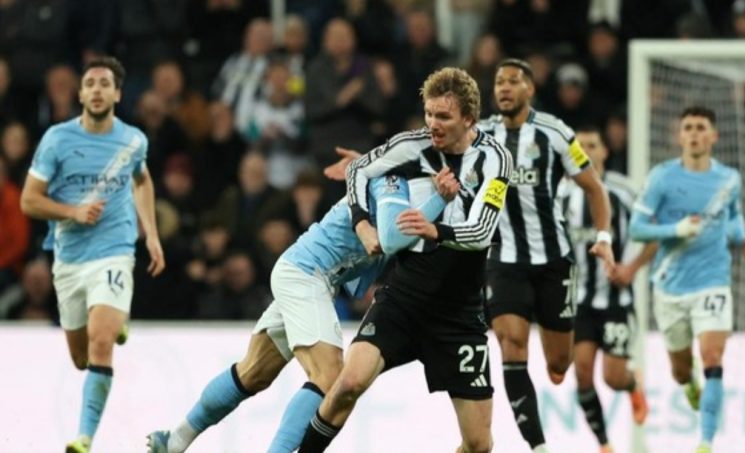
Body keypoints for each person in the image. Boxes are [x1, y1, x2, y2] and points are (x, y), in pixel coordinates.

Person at [147, 170, 459, 453]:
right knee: (330, 376)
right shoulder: (395, 184)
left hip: (305, 273)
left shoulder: (401, 189)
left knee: (253, 372)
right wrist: (439, 201)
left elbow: (375, 264)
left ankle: (175, 440)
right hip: (308, 274)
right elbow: (390, 238)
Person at [298, 67, 512, 453]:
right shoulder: (412, 145)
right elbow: (358, 170)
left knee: (479, 444)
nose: (433, 124)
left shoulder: (495, 159)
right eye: (429, 113)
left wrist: (435, 230)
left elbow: (482, 231)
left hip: (459, 313)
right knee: (348, 384)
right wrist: (362, 223)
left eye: (443, 116)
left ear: (469, 119)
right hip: (405, 296)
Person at [19, 56, 165, 453]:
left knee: (102, 343)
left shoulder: (133, 140)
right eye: (90, 84)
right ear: (80, 94)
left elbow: (142, 180)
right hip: (68, 258)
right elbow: (29, 200)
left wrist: (151, 234)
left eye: (105, 84)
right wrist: (72, 212)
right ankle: (115, 317)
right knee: (82, 359)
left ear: (117, 94)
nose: (97, 90)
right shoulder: (57, 139)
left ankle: (84, 438)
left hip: (114, 251)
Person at [477, 59, 614, 453]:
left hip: (554, 261)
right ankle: (538, 446)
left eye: (513, 81)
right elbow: (435, 144)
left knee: (558, 367)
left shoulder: (555, 133)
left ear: (530, 89)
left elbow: (594, 188)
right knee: (511, 344)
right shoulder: (481, 135)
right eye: (499, 82)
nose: (504, 88)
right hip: (504, 260)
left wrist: (604, 237)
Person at [629, 106, 745, 453]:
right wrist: (676, 229)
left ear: (713, 136)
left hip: (713, 281)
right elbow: (636, 229)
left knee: (713, 356)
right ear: (680, 136)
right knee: (681, 370)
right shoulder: (662, 178)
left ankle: (706, 442)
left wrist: (743, 240)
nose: (694, 134)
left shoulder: (729, 179)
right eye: (688, 127)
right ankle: (689, 384)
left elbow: (733, 217)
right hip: (669, 286)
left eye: (701, 128)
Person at [560, 126, 655, 452]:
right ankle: (604, 444)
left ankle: (632, 383)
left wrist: (632, 268)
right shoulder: (562, 194)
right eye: (580, 146)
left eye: (592, 145)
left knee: (613, 378)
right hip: (580, 301)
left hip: (616, 300)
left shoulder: (624, 191)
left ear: (604, 151)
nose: (586, 151)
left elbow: (655, 233)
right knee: (583, 374)